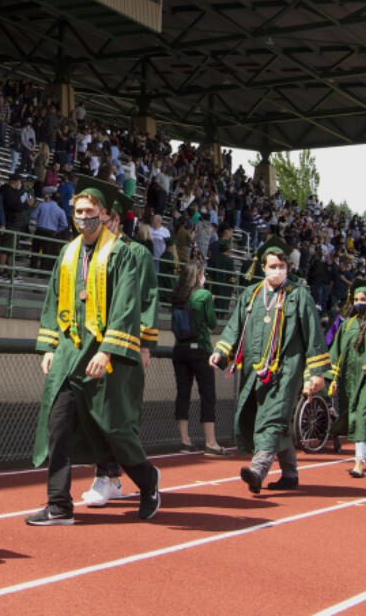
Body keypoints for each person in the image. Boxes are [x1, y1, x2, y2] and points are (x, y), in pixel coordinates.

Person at [29, 180, 161, 525]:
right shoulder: (67, 252)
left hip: (104, 356)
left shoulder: (124, 254)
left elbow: (127, 305)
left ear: (104, 214)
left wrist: (108, 351)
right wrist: (48, 346)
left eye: (90, 212)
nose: (84, 217)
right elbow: (53, 301)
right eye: (79, 212)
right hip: (69, 355)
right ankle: (59, 505)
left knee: (114, 430)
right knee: (57, 426)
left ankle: (147, 480)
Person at [212, 237, 329, 494]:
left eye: (282, 265)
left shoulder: (298, 295)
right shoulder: (251, 295)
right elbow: (235, 327)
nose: (278, 270)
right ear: (263, 267)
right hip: (255, 370)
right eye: (273, 266)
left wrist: (317, 373)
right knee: (265, 418)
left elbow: (313, 336)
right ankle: (290, 474)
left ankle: (257, 471)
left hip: (286, 370)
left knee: (272, 419)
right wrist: (222, 351)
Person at [306, 279, 366, 478]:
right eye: (356, 299)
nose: (359, 302)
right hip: (350, 381)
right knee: (358, 420)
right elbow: (335, 354)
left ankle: (359, 462)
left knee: (363, 416)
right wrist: (330, 379)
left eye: (363, 299)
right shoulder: (347, 326)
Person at [170, 260, 226, 455]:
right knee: (207, 394)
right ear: (198, 275)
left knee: (183, 393)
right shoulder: (204, 295)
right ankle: (210, 442)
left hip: (179, 349)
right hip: (200, 349)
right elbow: (212, 322)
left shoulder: (177, 296)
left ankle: (185, 440)